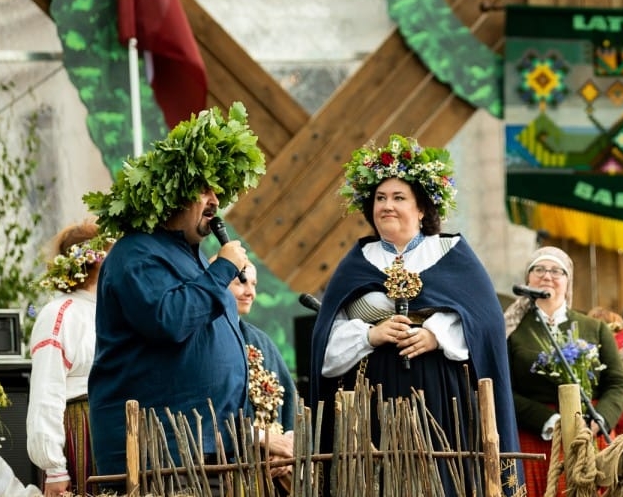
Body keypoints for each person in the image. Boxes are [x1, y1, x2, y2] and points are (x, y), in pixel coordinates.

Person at [308, 133, 518, 493]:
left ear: (422, 209)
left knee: (444, 480)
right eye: (380, 198)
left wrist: (435, 334)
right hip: (374, 400)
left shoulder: (451, 253)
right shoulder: (357, 262)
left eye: (399, 198)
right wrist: (371, 335)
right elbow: (325, 347)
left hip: (442, 398)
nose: (387, 206)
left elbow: (486, 321)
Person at [84, 103, 275, 482]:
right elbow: (168, 319)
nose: (215, 201)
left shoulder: (192, 259)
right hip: (160, 455)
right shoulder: (135, 254)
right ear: (175, 193)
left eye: (218, 192)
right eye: (205, 189)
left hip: (208, 450)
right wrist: (223, 268)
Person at [505, 247, 623, 497]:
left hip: (590, 430)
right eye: (539, 269)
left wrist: (599, 419)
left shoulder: (594, 328)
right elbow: (504, 389)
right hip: (538, 434)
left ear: (567, 281)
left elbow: (616, 383)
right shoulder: (511, 331)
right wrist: (549, 421)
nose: (547, 275)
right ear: (528, 279)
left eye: (556, 271)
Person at [27, 220, 112, 497]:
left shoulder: (113, 312)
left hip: (115, 428)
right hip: (81, 428)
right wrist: (55, 468)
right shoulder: (60, 314)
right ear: (96, 260)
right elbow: (46, 392)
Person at [230, 264, 298, 485]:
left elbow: (291, 402)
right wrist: (261, 440)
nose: (250, 292)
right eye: (241, 281)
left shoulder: (262, 340)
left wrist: (286, 450)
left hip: (274, 473)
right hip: (230, 469)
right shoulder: (202, 339)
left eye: (254, 284)